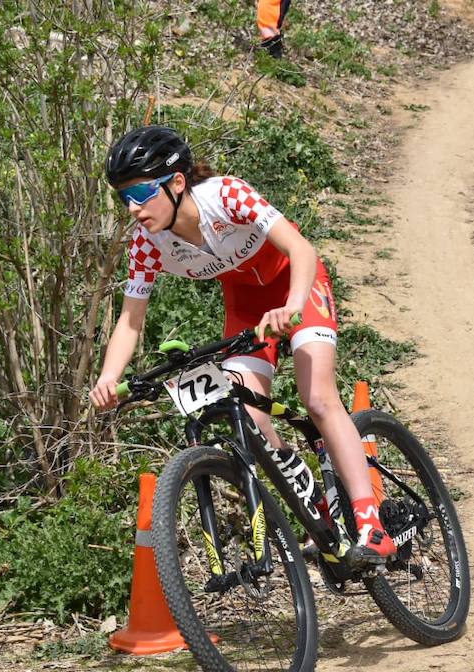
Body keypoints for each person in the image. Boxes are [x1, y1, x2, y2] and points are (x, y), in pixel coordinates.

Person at [89, 126, 396, 567]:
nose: (134, 208)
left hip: (297, 285)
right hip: (247, 306)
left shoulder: (226, 196)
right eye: (124, 197)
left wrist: (291, 305)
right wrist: (108, 377)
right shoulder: (147, 244)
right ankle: (314, 495)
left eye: (141, 191)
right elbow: (130, 319)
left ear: (177, 183)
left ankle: (372, 525)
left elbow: (301, 249)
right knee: (247, 418)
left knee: (318, 399)